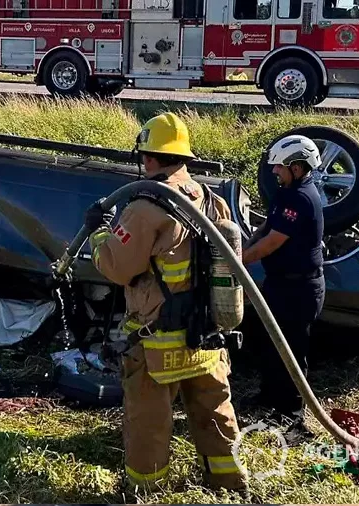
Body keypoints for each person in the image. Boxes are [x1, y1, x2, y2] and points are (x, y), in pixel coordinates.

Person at [83, 112, 249, 494]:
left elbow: (118, 268)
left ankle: (146, 491)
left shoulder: (144, 208)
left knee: (149, 421)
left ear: (151, 158)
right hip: (206, 338)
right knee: (215, 413)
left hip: (156, 341)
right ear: (184, 157)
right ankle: (229, 483)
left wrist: (100, 234)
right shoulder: (211, 200)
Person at [241, 134, 326, 444]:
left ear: (298, 167)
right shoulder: (286, 192)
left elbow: (274, 242)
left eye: (279, 167)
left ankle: (292, 412)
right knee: (270, 343)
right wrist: (242, 245)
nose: (274, 172)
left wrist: (239, 261)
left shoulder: (301, 198)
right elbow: (266, 227)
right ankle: (269, 398)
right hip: (280, 284)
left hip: (300, 289)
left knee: (292, 350)